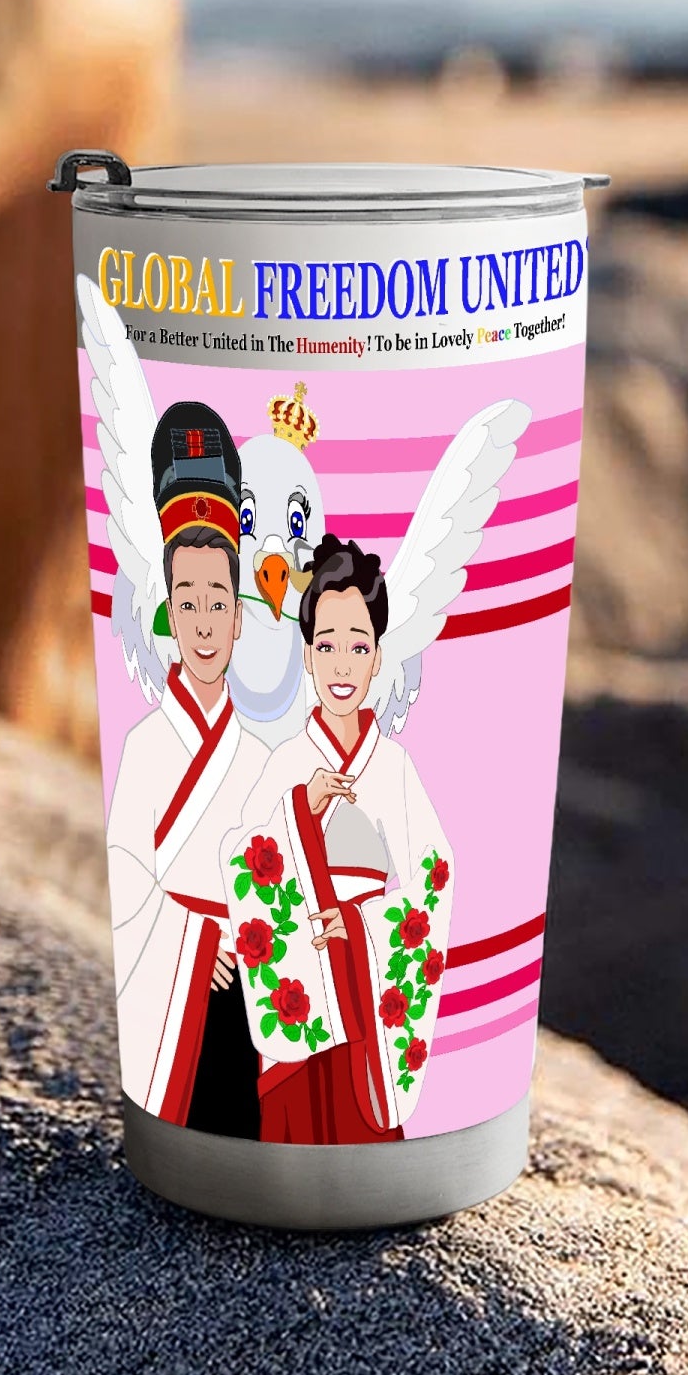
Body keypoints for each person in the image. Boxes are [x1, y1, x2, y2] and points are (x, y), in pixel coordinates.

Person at [219, 535, 455, 1144]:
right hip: (302, 967)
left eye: (358, 646)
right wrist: (302, 807)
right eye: (326, 646)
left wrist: (361, 925)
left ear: (378, 659)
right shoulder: (288, 762)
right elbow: (241, 852)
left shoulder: (392, 768)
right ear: (307, 656)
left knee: (362, 1128)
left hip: (365, 981)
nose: (342, 666)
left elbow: (434, 873)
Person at [104, 402, 268, 1138]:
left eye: (218, 603)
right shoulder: (147, 745)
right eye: (188, 602)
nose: (203, 622)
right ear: (170, 612)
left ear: (238, 618)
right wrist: (198, 944)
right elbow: (129, 868)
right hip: (181, 980)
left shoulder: (259, 750)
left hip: (253, 976)